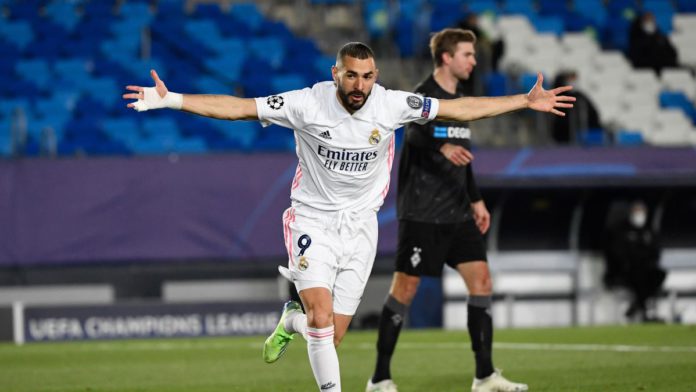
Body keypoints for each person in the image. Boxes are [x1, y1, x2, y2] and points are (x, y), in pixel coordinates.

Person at [123, 42, 574, 392]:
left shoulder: (392, 104)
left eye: (368, 77)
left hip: (361, 227)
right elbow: (239, 108)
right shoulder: (305, 103)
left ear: (376, 77)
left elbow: (460, 107)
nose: (360, 85)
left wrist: (522, 101)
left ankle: (290, 320)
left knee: (328, 336)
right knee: (321, 318)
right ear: (335, 74)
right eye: (352, 76)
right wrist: (173, 100)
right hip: (312, 220)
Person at [365, 29, 527, 392]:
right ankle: (379, 378)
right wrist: (442, 148)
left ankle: (485, 375)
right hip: (422, 211)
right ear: (446, 58)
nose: (473, 60)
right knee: (404, 290)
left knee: (482, 282)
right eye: (467, 54)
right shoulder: (424, 95)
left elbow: (464, 159)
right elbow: (413, 132)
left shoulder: (462, 100)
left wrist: (476, 198)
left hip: (457, 212)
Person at [603, 200, 665, 322]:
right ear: (630, 213)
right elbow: (618, 254)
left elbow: (655, 252)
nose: (640, 215)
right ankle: (643, 311)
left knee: (658, 274)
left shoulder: (648, 231)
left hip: (645, 270)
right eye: (637, 211)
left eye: (642, 211)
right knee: (638, 275)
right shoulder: (621, 231)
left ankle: (637, 306)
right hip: (624, 272)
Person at [550, 70, 600, 144]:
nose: (574, 82)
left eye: (574, 79)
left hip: (580, 135)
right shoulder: (556, 96)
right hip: (562, 135)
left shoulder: (580, 96)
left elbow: (593, 114)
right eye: (571, 79)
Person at [628, 11, 678, 75]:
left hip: (665, 68)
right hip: (647, 70)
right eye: (647, 21)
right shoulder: (637, 39)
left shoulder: (661, 37)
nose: (650, 23)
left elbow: (673, 53)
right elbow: (636, 58)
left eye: (651, 20)